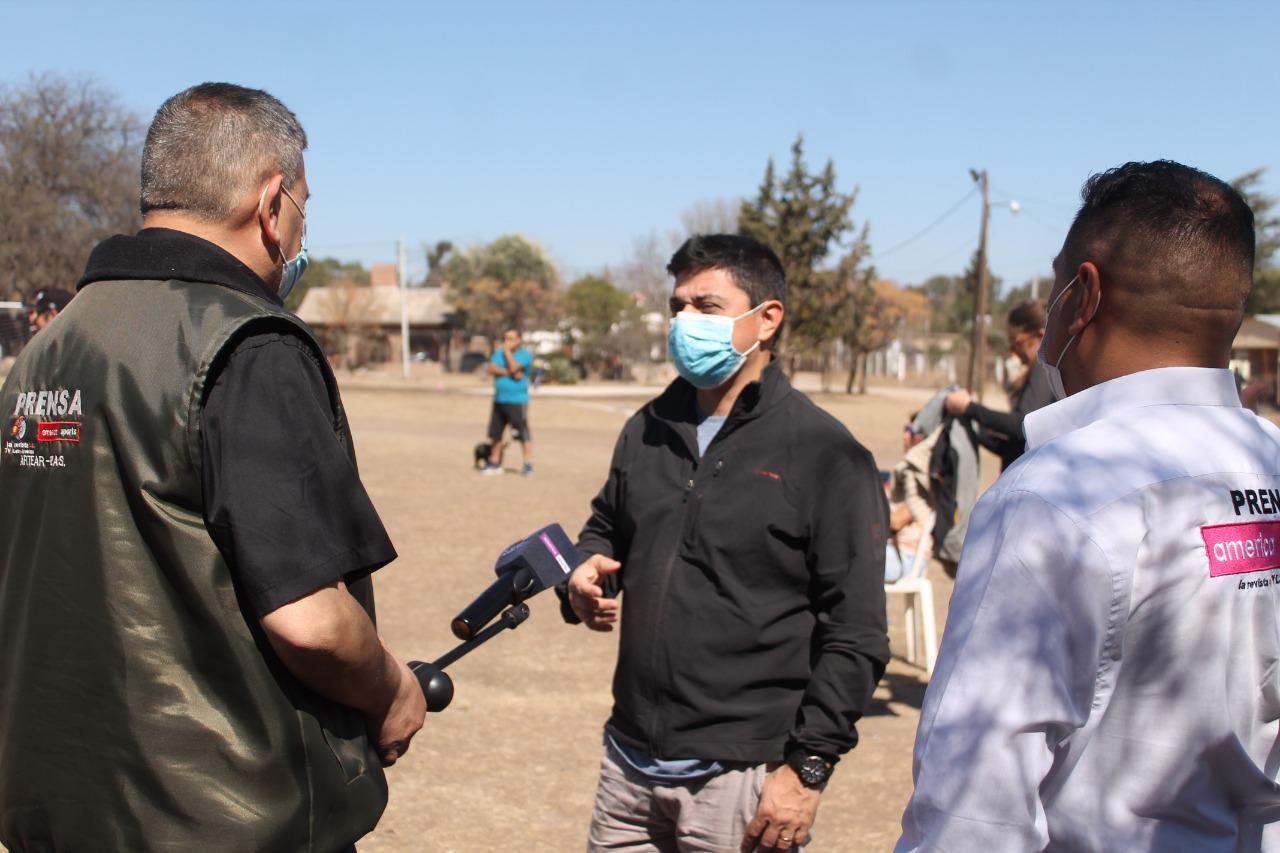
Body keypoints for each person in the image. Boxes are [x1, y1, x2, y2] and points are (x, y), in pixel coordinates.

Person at [0, 83, 425, 851]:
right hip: (224, 819)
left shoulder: (45, 350)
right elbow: (312, 620)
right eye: (303, 207)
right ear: (272, 203)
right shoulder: (246, 344)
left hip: (56, 810)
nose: (299, 232)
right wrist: (391, 688)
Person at [897, 160, 1280, 851]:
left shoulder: (1057, 496)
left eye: (1053, 284)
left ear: (1085, 294)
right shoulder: (1270, 459)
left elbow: (973, 814)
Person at [559, 234, 889, 852]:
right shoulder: (649, 427)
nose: (684, 321)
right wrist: (585, 568)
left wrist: (808, 769)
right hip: (628, 763)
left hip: (742, 778)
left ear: (766, 319)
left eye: (706, 306)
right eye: (677, 305)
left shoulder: (827, 454)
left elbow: (857, 633)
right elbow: (607, 524)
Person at [942, 299, 1055, 471]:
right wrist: (972, 426)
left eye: (1016, 342)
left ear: (1040, 334)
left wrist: (969, 408)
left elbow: (1021, 425)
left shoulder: (1043, 369)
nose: (1011, 350)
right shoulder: (1035, 372)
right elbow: (1015, 446)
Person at [884, 419, 939, 583]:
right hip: (896, 553)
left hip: (906, 558)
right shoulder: (907, 476)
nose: (905, 436)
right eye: (906, 429)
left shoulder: (919, 483)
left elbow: (895, 522)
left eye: (912, 431)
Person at [481, 327, 534, 475]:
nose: (506, 342)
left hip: (517, 401)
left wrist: (507, 353)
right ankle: (494, 462)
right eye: (505, 338)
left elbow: (516, 370)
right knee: (495, 434)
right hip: (499, 399)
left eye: (510, 339)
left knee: (522, 433)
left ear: (518, 340)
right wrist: (508, 372)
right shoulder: (497, 354)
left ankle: (528, 463)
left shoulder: (524, 355)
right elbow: (492, 369)